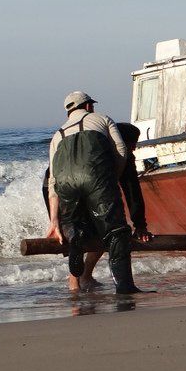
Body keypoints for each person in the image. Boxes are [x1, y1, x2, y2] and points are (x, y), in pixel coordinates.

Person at [45, 91, 142, 293]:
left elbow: (53, 180)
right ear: (88, 106)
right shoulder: (102, 119)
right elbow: (122, 150)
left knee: (77, 229)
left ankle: (76, 262)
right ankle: (124, 287)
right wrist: (110, 179)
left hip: (64, 188)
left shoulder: (57, 135)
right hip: (96, 180)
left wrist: (54, 220)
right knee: (115, 231)